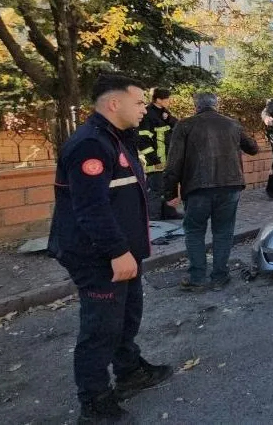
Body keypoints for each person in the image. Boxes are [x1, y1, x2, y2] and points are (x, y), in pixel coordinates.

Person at [47, 73, 172, 423]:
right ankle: (95, 403)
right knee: (100, 329)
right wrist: (117, 252)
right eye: (138, 101)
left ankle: (130, 372)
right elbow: (90, 208)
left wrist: (128, 251)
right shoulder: (90, 144)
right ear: (114, 104)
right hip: (99, 256)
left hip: (124, 253)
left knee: (127, 317)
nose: (143, 107)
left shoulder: (118, 139)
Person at [163, 93, 259, 292]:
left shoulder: (185, 125)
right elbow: (253, 148)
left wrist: (170, 192)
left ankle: (197, 278)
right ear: (216, 105)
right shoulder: (232, 124)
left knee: (194, 231)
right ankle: (220, 277)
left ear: (195, 106)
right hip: (230, 186)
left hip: (197, 188)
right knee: (223, 231)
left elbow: (174, 162)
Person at [137, 87, 181, 220]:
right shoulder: (147, 114)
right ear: (159, 99)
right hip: (154, 161)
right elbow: (142, 140)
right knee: (155, 189)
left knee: (167, 188)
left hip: (167, 158)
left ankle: (169, 213)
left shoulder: (163, 112)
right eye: (167, 99)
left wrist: (168, 119)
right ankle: (154, 217)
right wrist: (153, 159)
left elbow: (177, 126)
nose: (169, 101)